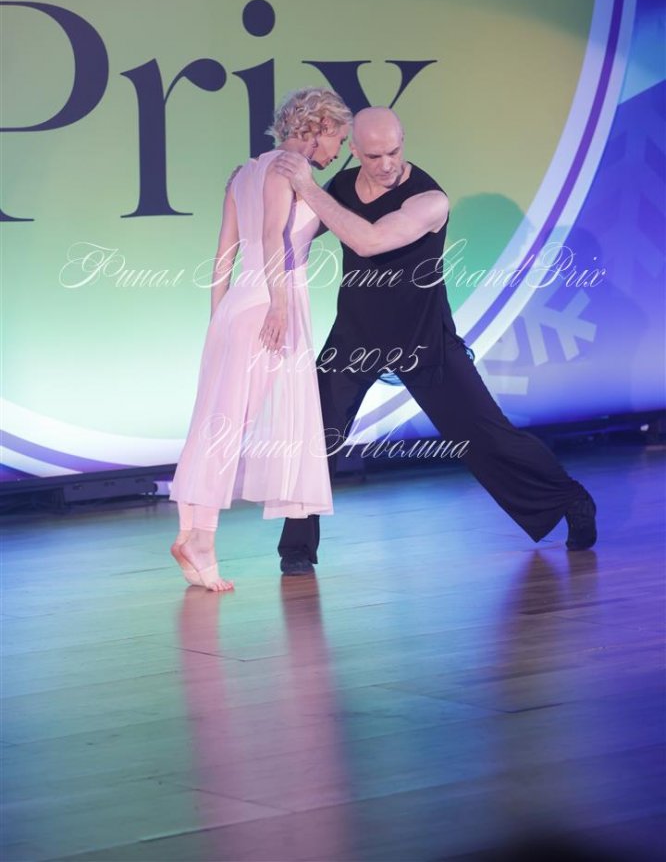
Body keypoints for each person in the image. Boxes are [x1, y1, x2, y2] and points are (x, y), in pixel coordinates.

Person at [272, 106, 597, 575]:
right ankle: (297, 549)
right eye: (374, 155)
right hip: (356, 333)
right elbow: (299, 225)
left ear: (403, 141)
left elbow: (368, 240)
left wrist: (307, 187)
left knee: (485, 435)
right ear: (355, 151)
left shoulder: (429, 199)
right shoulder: (341, 188)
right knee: (315, 431)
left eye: (394, 151)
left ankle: (571, 499)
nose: (386, 164)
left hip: (422, 335)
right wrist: (257, 184)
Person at [169, 87, 352, 591]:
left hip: (237, 307)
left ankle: (193, 534)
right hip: (270, 301)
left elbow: (223, 253)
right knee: (230, 425)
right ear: (318, 128)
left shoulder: (243, 173)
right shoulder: (288, 168)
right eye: (338, 138)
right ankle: (199, 540)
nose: (338, 150)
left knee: (216, 422)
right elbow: (273, 237)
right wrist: (279, 305)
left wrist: (218, 317)